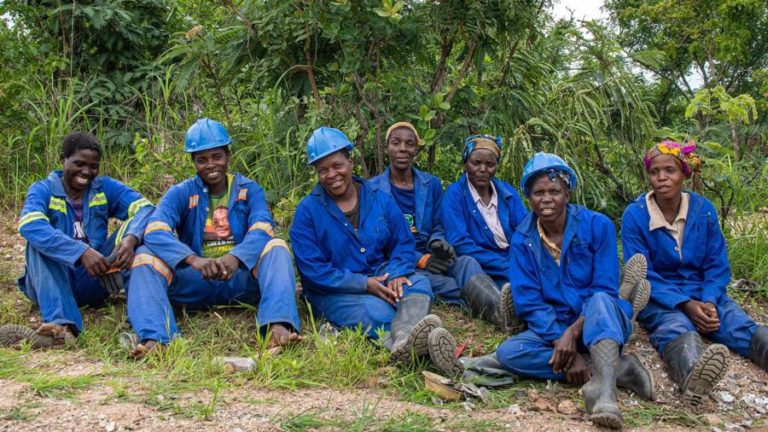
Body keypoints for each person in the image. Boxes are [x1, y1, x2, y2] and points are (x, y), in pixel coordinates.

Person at [436, 153, 654, 429]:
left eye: (555, 191)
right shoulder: (523, 239)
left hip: (599, 320)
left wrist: (571, 335)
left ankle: (605, 394)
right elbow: (529, 303)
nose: (547, 198)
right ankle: (619, 369)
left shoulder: (598, 225)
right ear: (529, 196)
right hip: (556, 326)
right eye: (539, 192)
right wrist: (564, 347)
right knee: (510, 353)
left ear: (568, 193)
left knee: (600, 300)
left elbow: (603, 288)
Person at [289, 126, 462, 374]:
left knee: (419, 284)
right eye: (323, 170)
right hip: (334, 291)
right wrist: (364, 284)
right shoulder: (308, 212)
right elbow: (313, 272)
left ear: (350, 162)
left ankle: (404, 341)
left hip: (381, 273)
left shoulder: (378, 198)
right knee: (377, 311)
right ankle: (419, 353)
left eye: (337, 165)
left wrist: (396, 272)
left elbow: (403, 242)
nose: (332, 174)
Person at [124, 118, 300, 358]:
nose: (210, 165)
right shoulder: (181, 192)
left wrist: (236, 257)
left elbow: (263, 227)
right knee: (144, 256)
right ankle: (158, 338)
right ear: (193, 162)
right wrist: (193, 260)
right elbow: (154, 230)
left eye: (217, 156)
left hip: (240, 279)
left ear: (228, 155)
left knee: (276, 245)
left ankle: (276, 326)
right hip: (196, 280)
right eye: (202, 160)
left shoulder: (249, 189)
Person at [622, 140, 768, 406]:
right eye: (655, 172)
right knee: (674, 327)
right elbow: (643, 271)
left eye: (670, 170)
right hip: (660, 297)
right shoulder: (635, 215)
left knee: (735, 322)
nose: (662, 178)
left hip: (704, 290)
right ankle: (692, 377)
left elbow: (716, 263)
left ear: (684, 174)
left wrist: (710, 301)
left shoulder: (703, 210)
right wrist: (686, 304)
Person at [0, 132, 153, 348]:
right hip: (49, 283)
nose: (86, 172)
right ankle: (61, 329)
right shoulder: (43, 189)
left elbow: (146, 208)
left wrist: (131, 239)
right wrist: (80, 251)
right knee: (38, 241)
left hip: (93, 279)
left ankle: (140, 319)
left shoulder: (104, 188)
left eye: (93, 166)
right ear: (63, 159)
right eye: (79, 164)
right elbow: (29, 224)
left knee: (137, 229)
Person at [369, 123, 521, 332]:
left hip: (433, 255)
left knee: (466, 262)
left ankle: (503, 314)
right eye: (396, 143)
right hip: (400, 261)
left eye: (409, 144)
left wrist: (438, 243)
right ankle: (501, 312)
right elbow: (378, 240)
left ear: (416, 150)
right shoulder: (372, 190)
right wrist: (420, 259)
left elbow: (439, 222)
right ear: (386, 148)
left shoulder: (429, 184)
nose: (403, 148)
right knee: (454, 287)